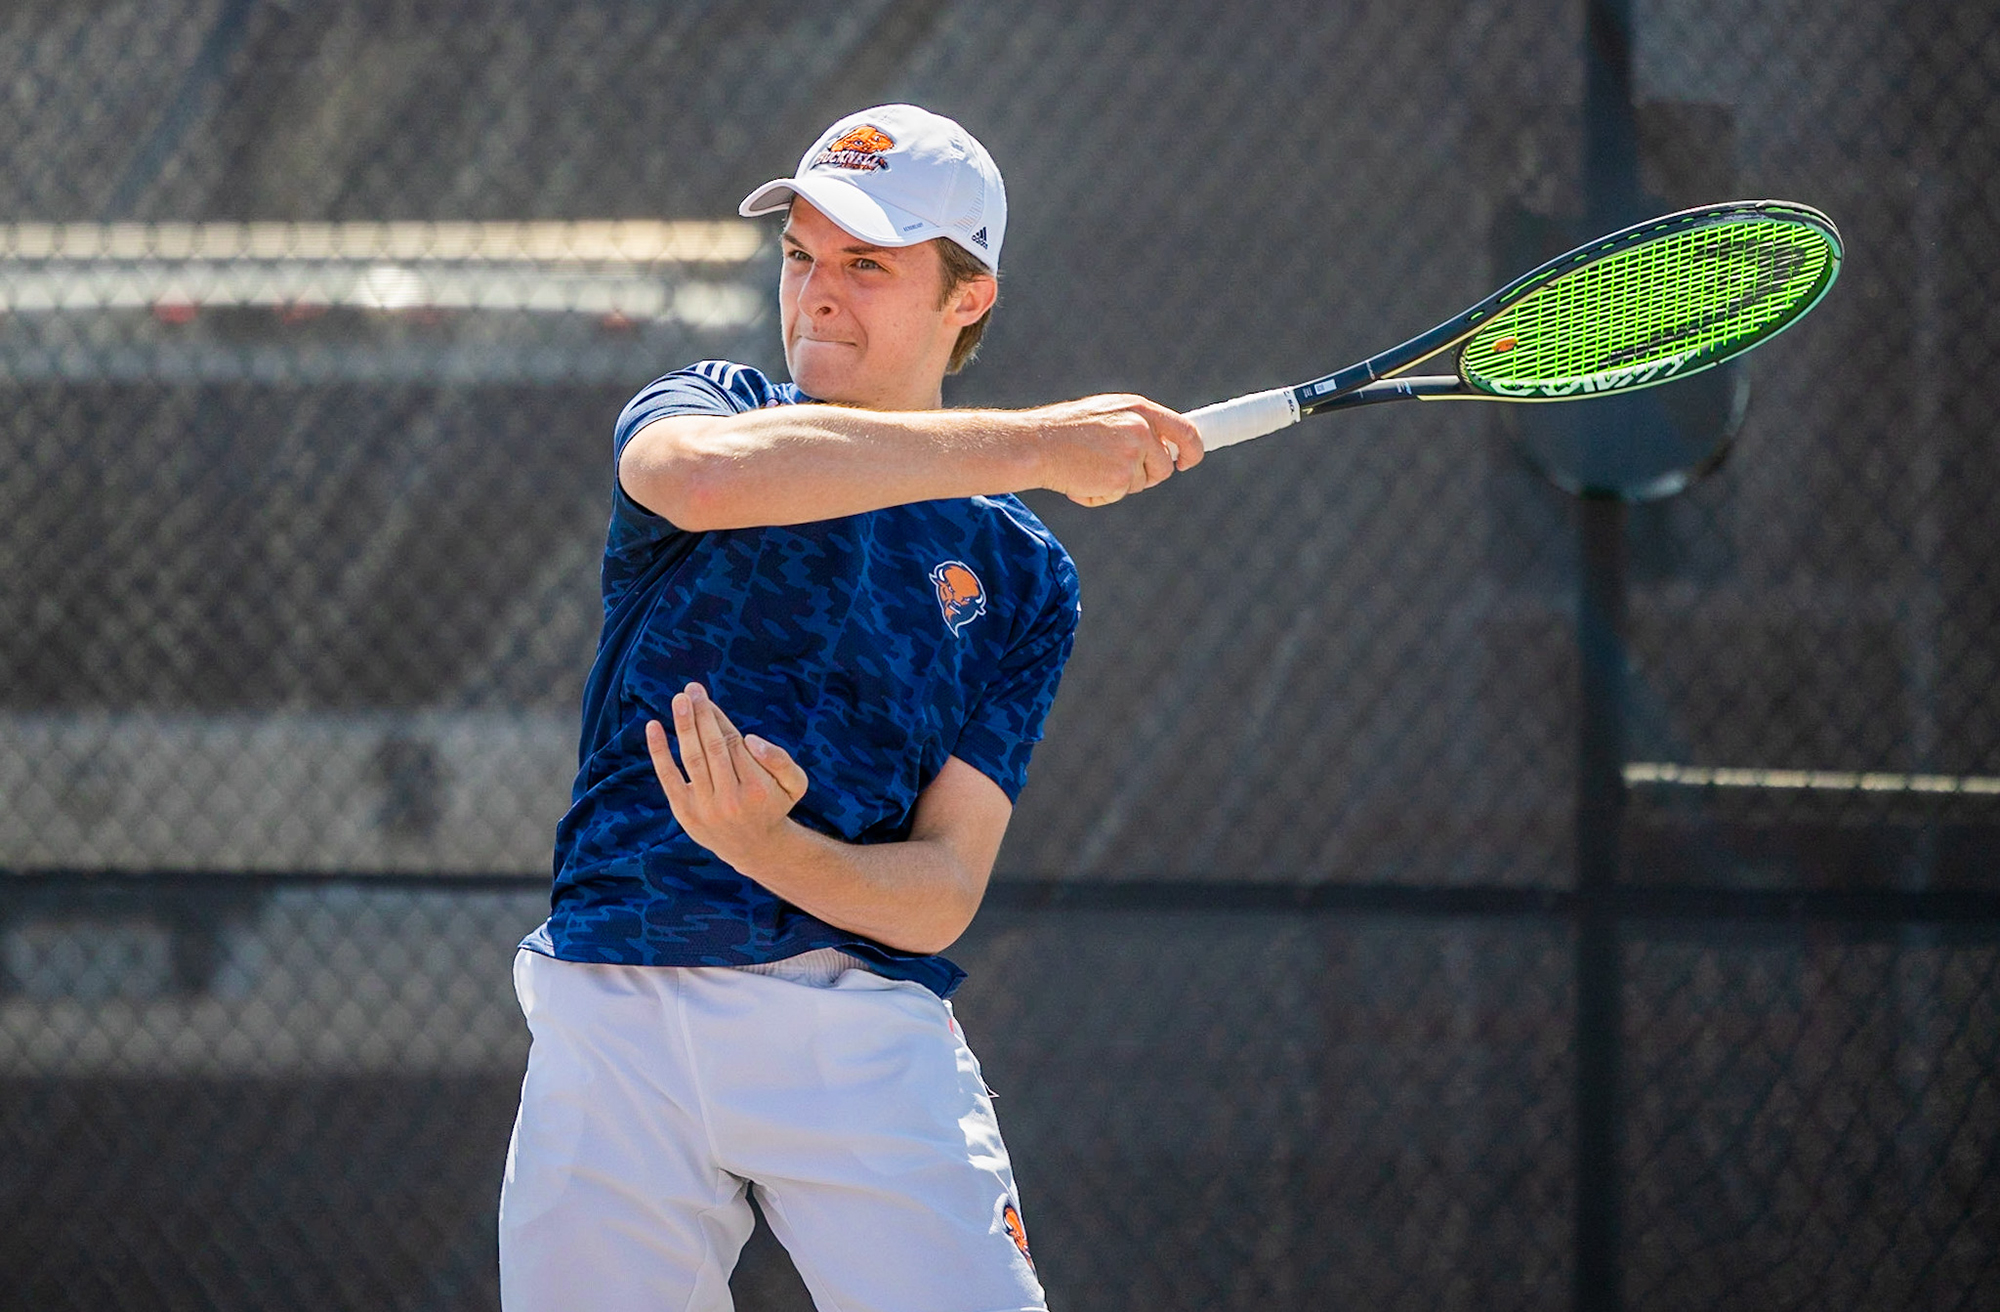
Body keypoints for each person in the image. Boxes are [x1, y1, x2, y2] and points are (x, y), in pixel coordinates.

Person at [498, 103, 1202, 1312]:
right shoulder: (706, 403)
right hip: (608, 1008)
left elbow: (937, 895)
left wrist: (768, 848)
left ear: (965, 296)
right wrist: (1038, 441)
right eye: (800, 255)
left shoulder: (1024, 575)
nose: (817, 293)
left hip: (855, 1037)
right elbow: (708, 479)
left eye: (866, 263)